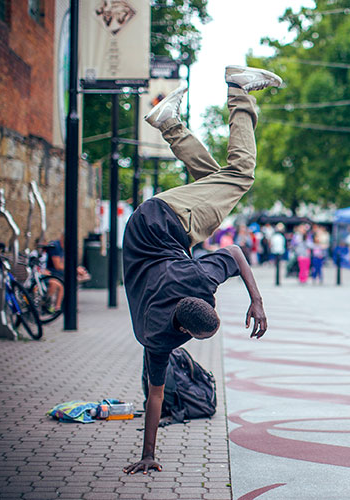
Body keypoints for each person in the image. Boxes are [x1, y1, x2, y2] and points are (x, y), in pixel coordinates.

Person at [121, 65, 280, 474]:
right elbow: (153, 395)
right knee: (216, 179)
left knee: (241, 174)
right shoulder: (153, 335)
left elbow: (236, 252)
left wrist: (256, 301)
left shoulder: (197, 279)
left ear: (188, 327)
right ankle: (170, 123)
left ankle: (238, 91)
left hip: (169, 220)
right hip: (146, 231)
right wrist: (148, 455)